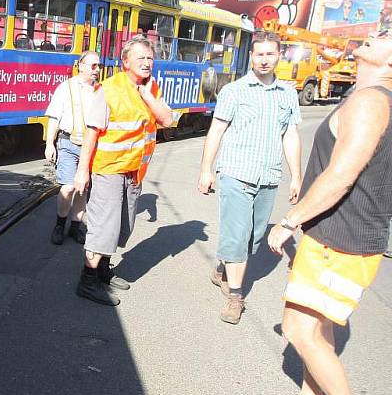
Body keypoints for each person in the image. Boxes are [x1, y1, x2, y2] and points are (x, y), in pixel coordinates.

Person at [258, 29, 392, 395]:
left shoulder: (371, 101)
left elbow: (340, 176)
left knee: (300, 330)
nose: (374, 34)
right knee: (317, 326)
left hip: (340, 238)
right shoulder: (369, 96)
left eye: (385, 36)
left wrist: (290, 221)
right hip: (343, 236)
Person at [197, 30, 302, 324]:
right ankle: (235, 296)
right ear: (251, 56)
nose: (264, 60)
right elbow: (216, 130)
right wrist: (206, 170)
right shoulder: (234, 91)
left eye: (270, 54)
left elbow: (290, 134)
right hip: (235, 174)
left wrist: (296, 176)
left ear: (279, 56)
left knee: (253, 239)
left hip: (268, 177)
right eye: (259, 54)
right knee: (237, 235)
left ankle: (223, 266)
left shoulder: (288, 94)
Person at [73, 37, 173, 305]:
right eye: (140, 58)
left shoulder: (150, 88)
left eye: (150, 58)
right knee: (103, 227)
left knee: (121, 226)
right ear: (125, 61)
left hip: (133, 170)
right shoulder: (109, 89)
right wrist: (83, 171)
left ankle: (103, 270)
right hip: (108, 169)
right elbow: (91, 133)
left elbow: (168, 120)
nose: (146, 63)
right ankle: (88, 280)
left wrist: (148, 95)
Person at [44, 51, 101, 245]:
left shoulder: (101, 90)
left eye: (98, 66)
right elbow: (54, 117)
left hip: (91, 146)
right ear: (81, 66)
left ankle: (75, 227)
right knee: (68, 188)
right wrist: (49, 143)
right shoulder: (65, 88)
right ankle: (60, 224)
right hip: (68, 143)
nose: (97, 70)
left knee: (82, 189)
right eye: (93, 66)